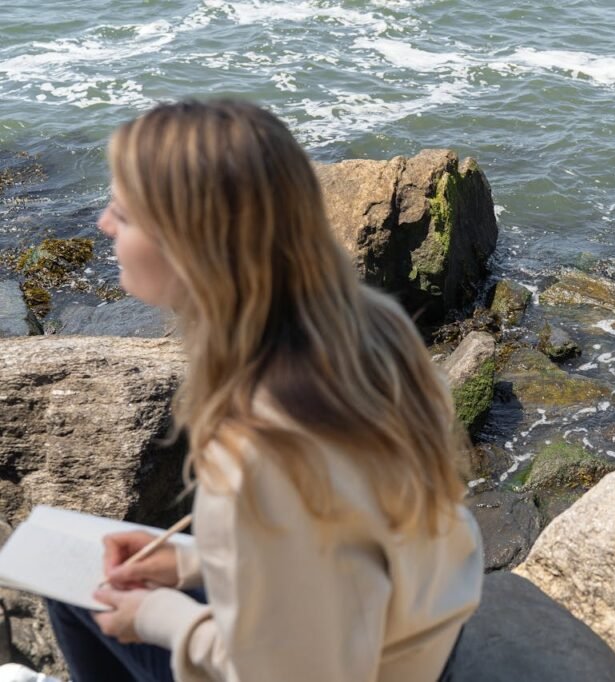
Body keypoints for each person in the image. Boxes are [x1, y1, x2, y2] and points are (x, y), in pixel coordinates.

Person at [45, 99, 484, 682]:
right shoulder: (372, 325)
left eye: (122, 213)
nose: (103, 224)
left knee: (72, 588)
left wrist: (160, 617)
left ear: (189, 246)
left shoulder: (258, 449)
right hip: (424, 638)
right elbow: (344, 553)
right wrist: (193, 562)